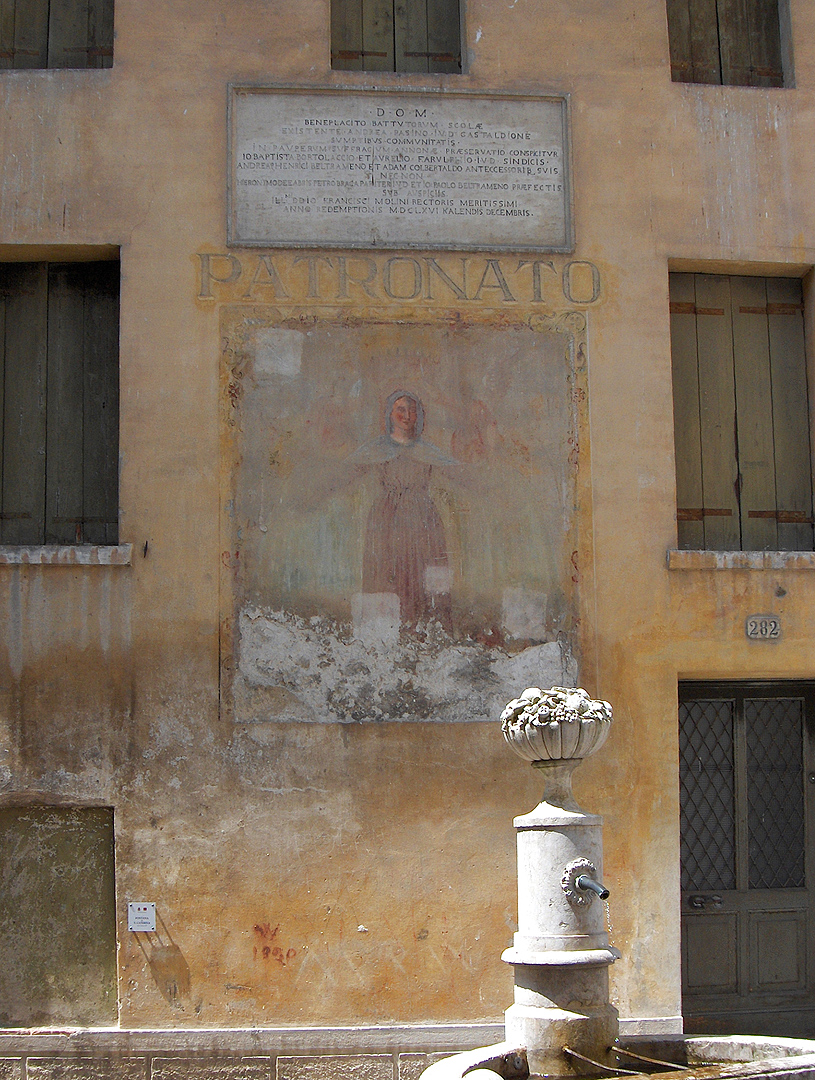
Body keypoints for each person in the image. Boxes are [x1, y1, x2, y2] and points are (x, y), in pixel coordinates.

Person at [348, 391, 456, 629]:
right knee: (386, 573)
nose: (406, 415)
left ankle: (424, 630)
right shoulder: (377, 449)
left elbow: (455, 473)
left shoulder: (427, 450)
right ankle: (383, 631)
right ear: (390, 414)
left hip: (422, 520)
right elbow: (348, 473)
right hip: (386, 521)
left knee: (424, 575)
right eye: (400, 409)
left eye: (412, 410)